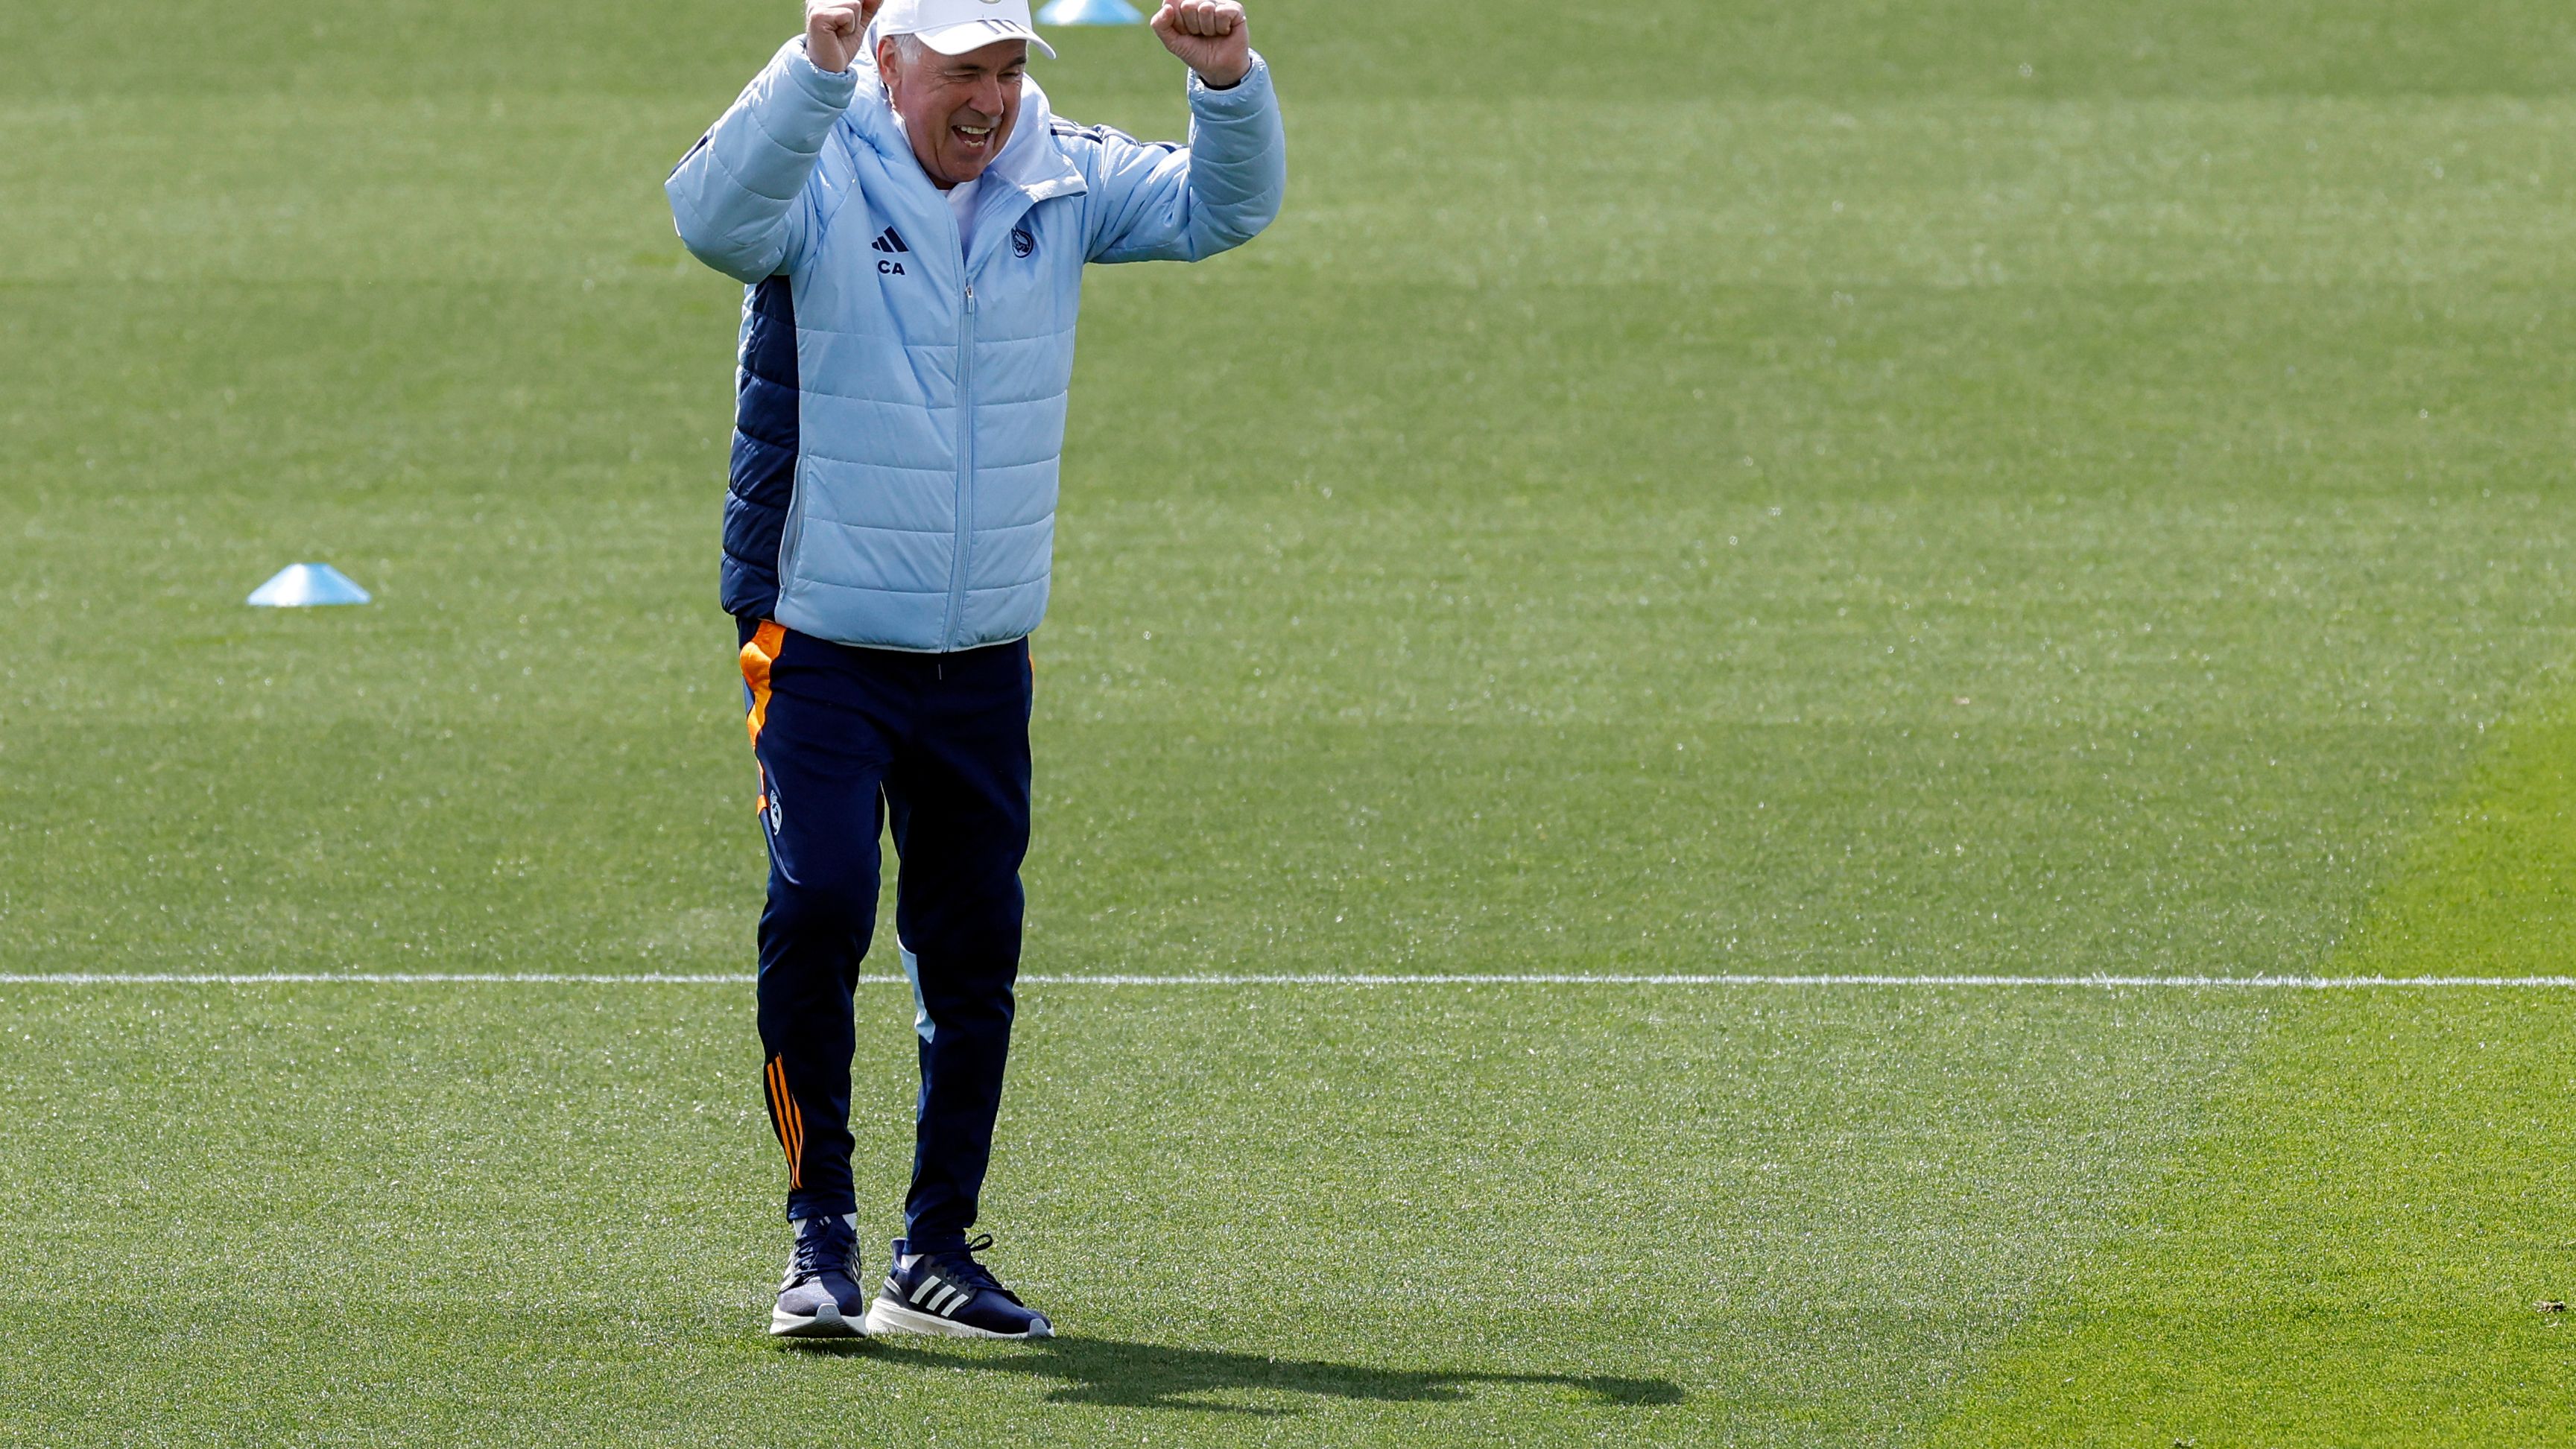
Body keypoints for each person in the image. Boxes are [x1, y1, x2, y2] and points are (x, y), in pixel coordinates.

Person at [665, 0, 1285, 1339]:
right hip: (817, 632)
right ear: (891, 64)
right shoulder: (816, 165)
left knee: (970, 949)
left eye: (1009, 69)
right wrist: (808, 64)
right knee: (820, 902)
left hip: (981, 646)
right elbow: (711, 222)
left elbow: (1220, 211)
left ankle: (934, 1245)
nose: (992, 99)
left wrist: (1227, 82)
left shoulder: (1057, 172)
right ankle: (816, 1234)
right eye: (965, 71)